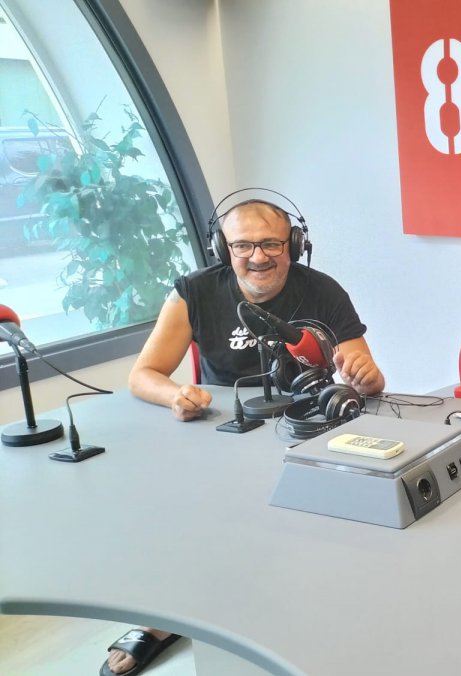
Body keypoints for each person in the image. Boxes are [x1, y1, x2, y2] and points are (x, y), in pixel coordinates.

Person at [109, 198, 384, 676]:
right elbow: (143, 374)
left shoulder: (323, 292)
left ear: (293, 245)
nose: (258, 256)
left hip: (305, 427)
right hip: (226, 428)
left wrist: (364, 377)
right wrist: (176, 395)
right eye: (242, 245)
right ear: (223, 247)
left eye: (272, 243)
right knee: (177, 508)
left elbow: (367, 382)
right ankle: (161, 617)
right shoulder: (193, 292)